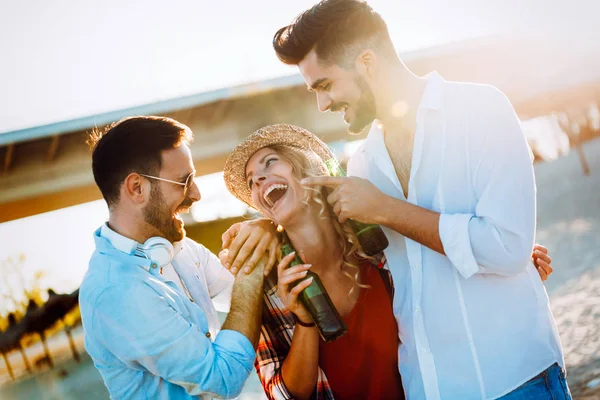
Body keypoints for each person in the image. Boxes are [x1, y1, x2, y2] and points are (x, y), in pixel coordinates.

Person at [223, 0, 569, 398]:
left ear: (367, 62)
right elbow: (388, 261)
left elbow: (506, 247)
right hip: (430, 388)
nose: (322, 104)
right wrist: (265, 226)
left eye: (325, 85)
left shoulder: (480, 110)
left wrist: (388, 210)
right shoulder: (365, 166)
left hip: (514, 377)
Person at [222, 124, 556, 400]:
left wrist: (504, 257)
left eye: (269, 163)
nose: (259, 180)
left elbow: (445, 276)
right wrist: (305, 324)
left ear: (304, 167)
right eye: (251, 181)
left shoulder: (380, 249)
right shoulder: (269, 291)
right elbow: (285, 394)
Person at [79, 116, 272, 399]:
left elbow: (259, 299)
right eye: (184, 181)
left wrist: (266, 227)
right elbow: (220, 380)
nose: (196, 194)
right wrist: (252, 273)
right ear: (136, 188)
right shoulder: (116, 292)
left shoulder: (177, 247)